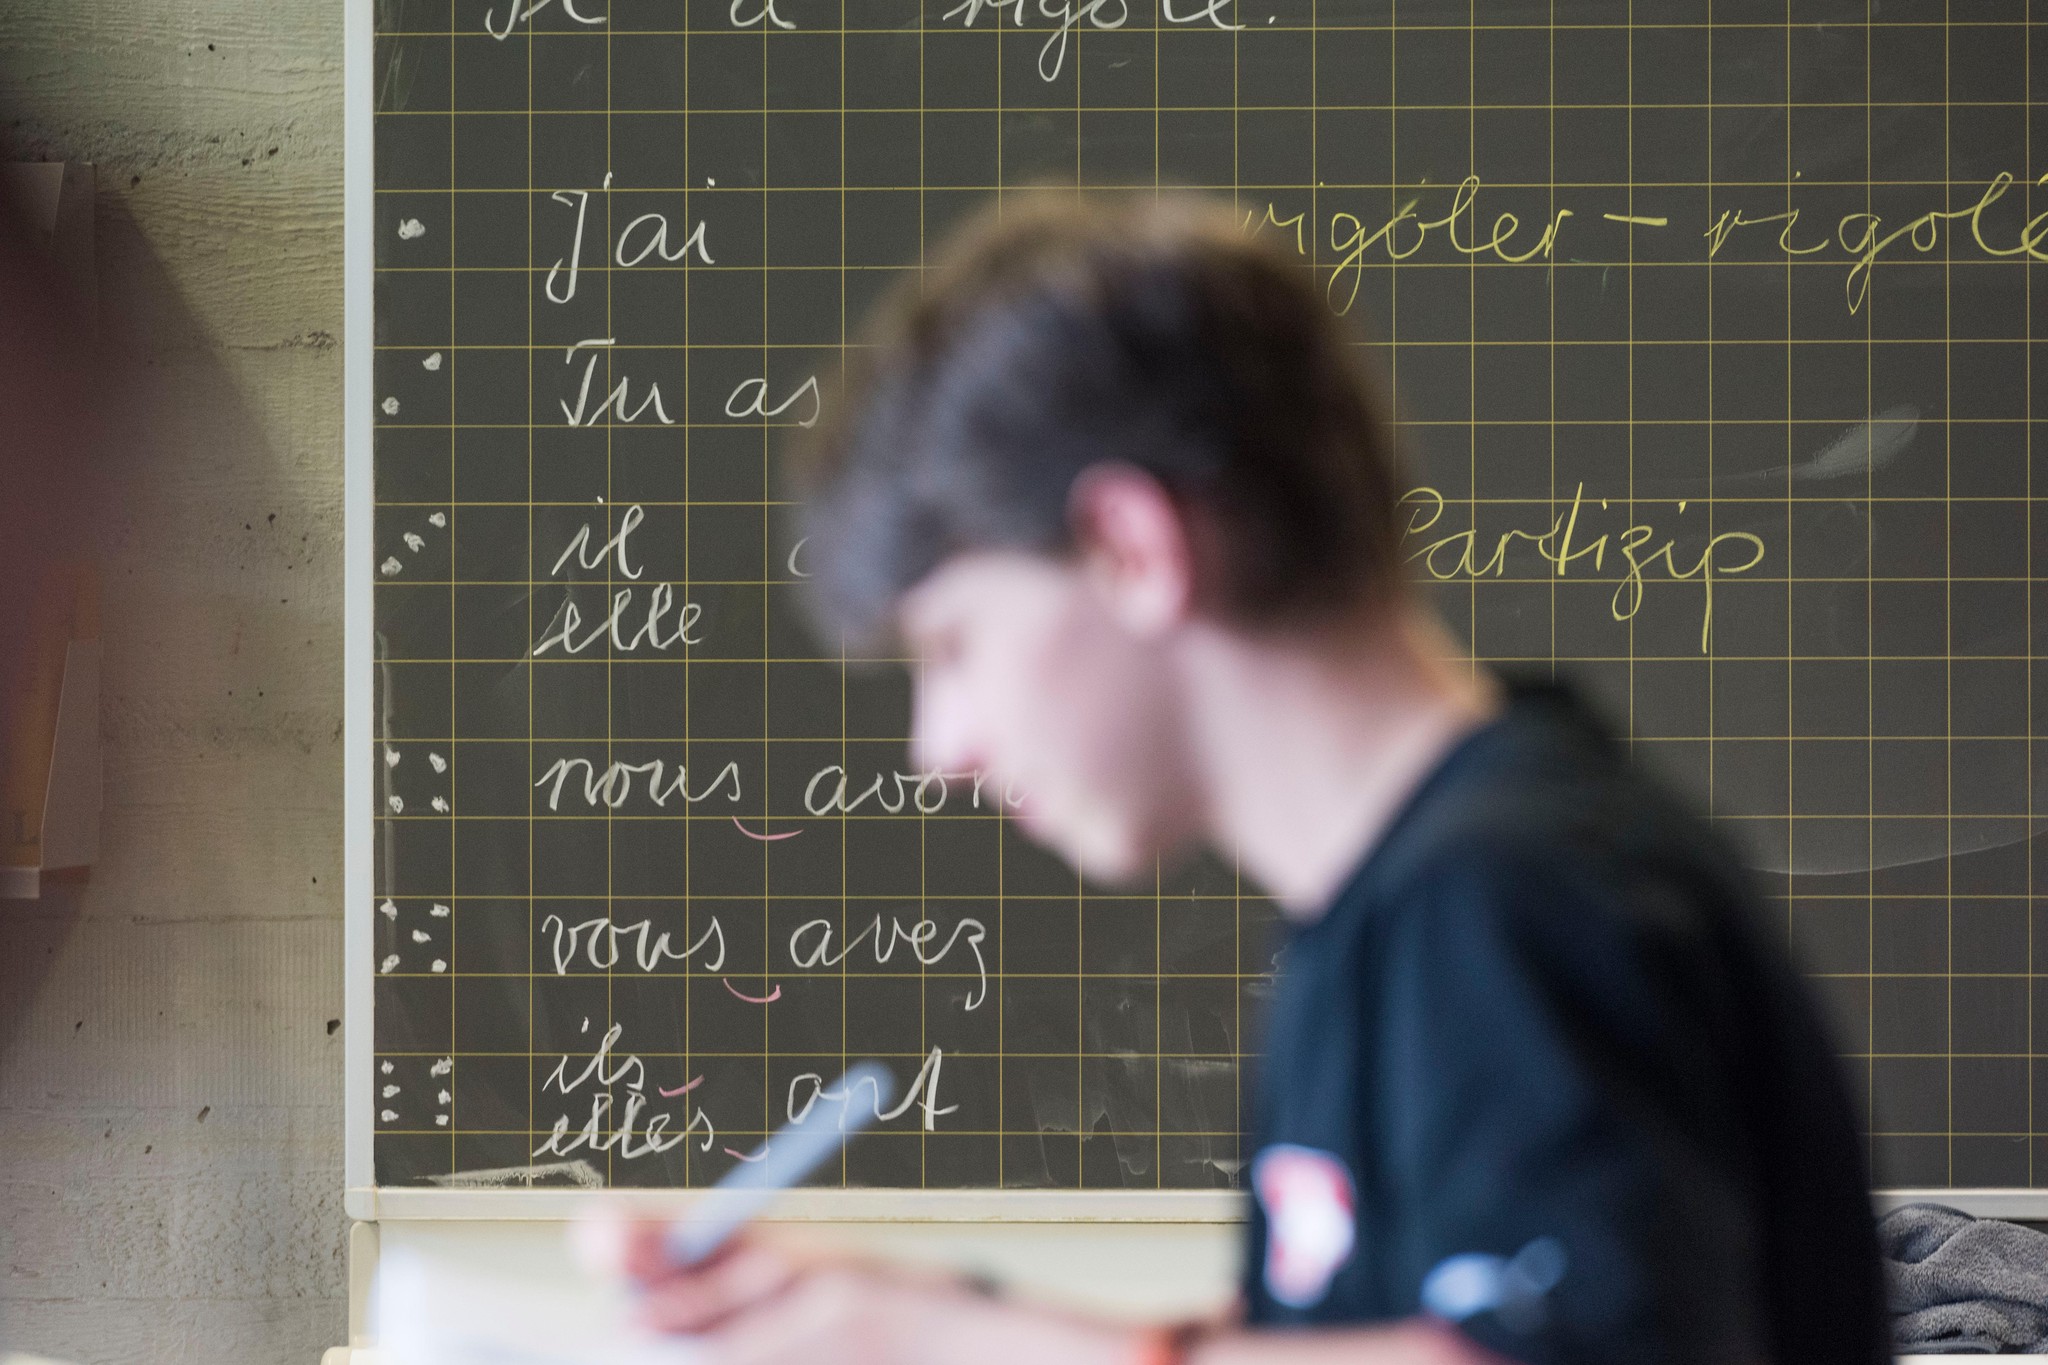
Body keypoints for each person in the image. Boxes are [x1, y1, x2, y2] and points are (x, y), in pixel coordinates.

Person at [625, 192, 1889, 1365]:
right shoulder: (1383, 921)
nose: (935, 748)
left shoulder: (1507, 901)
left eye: (952, 647)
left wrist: (933, 1339)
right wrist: (880, 1313)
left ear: (1130, 549)